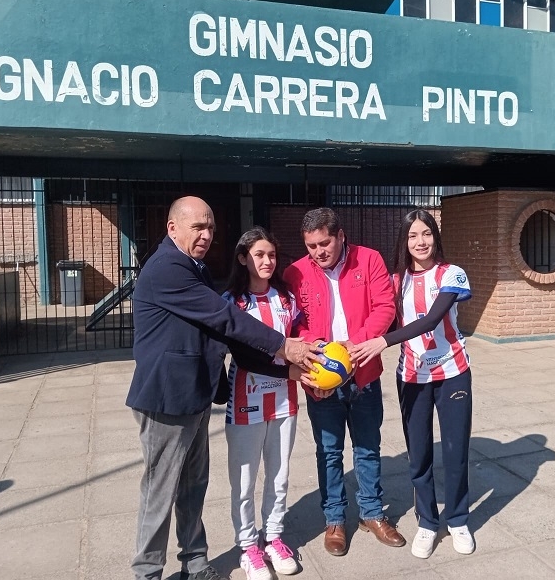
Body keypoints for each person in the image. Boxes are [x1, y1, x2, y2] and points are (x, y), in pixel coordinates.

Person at [126, 197, 319, 580]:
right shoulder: (168, 268)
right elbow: (224, 317)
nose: (206, 235)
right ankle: (147, 572)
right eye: (198, 227)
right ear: (172, 228)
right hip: (166, 397)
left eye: (210, 227)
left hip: (193, 394)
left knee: (193, 486)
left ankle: (195, 563)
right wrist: (285, 347)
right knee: (160, 491)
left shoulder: (191, 266)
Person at [349, 209, 475, 560]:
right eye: (412, 236)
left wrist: (382, 342)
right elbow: (373, 312)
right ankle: (427, 522)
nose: (421, 242)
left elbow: (433, 318)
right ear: (404, 242)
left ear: (436, 236)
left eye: (426, 234)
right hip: (411, 377)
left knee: (455, 452)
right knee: (418, 455)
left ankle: (459, 519)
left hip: (452, 373)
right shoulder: (394, 280)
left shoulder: (452, 274)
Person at [283, 207, 406, 557]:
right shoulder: (296, 272)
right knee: (329, 450)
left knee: (367, 447)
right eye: (311, 246)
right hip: (321, 376)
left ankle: (371, 513)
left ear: (340, 236)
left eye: (325, 243)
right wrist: (311, 344)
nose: (319, 252)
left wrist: (358, 343)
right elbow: (294, 322)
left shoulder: (369, 260)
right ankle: (334, 519)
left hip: (363, 372)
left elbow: (385, 306)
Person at [222, 228, 302, 580]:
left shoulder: (286, 298)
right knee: (244, 479)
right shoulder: (232, 302)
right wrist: (294, 372)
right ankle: (247, 547)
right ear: (243, 258)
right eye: (259, 255)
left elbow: (301, 339)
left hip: (285, 400)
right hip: (246, 400)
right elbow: (242, 354)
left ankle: (273, 538)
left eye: (271, 255)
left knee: (280, 475)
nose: (268, 261)